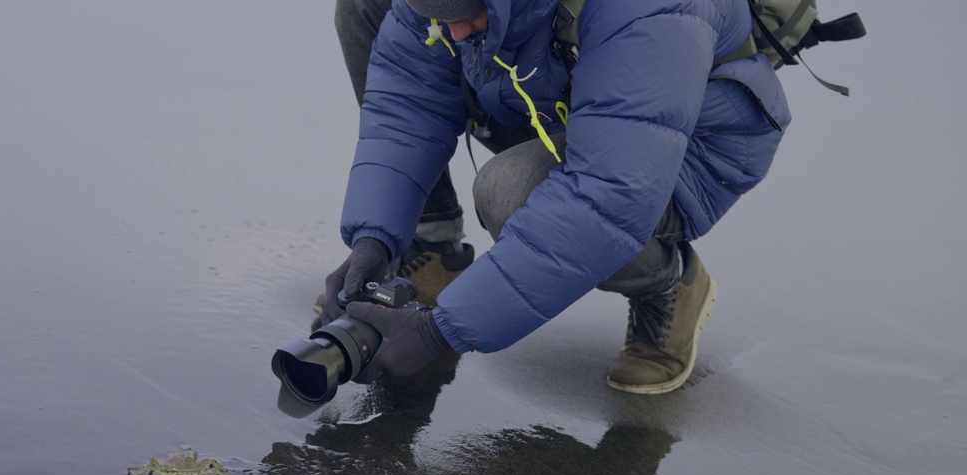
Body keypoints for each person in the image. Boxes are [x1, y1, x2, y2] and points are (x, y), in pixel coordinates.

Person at [319, 0, 788, 394]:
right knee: (369, 7)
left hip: (687, 140)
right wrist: (374, 240)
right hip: (556, 93)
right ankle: (432, 246)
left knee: (513, 192)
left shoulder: (649, 10)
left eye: (469, 10)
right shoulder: (464, 15)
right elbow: (408, 103)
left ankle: (670, 281)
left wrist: (440, 331)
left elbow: (607, 196)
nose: (456, 33)